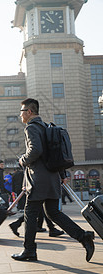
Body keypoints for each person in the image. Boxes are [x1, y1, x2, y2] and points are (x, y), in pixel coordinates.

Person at [11, 98, 95, 262]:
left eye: (22, 111)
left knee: (30, 213)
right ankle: (83, 237)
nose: (20, 115)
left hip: (38, 180)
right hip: (52, 179)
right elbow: (54, 153)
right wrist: (62, 175)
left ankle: (29, 251)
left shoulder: (31, 128)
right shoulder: (47, 127)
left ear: (29, 112)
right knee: (53, 213)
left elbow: (36, 150)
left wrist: (23, 160)